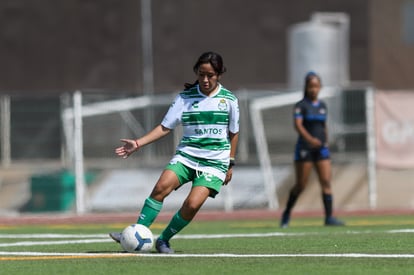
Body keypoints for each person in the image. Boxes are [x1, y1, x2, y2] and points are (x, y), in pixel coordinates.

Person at [109, 51, 240, 253]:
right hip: (187, 156)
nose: (205, 80)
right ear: (197, 73)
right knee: (161, 187)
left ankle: (164, 240)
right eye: (201, 74)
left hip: (215, 162)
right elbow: (165, 127)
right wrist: (138, 143)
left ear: (219, 74)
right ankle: (136, 231)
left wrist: (230, 163)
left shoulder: (229, 100)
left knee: (192, 204)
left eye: (210, 75)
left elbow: (234, 132)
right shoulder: (184, 98)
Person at [280, 71, 344, 228]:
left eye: (316, 86)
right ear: (306, 87)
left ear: (320, 87)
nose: (313, 89)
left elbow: (323, 126)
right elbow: (298, 126)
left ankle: (329, 217)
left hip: (321, 149)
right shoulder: (301, 106)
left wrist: (325, 142)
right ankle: (287, 213)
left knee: (326, 182)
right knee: (301, 185)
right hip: (305, 149)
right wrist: (310, 140)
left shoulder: (322, 106)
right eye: (311, 86)